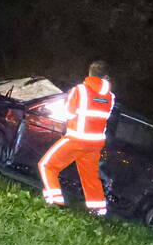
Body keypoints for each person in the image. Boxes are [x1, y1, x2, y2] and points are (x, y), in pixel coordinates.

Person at [37, 60, 115, 216]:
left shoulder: (80, 90)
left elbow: (68, 113)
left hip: (76, 139)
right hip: (95, 144)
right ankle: (98, 210)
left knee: (47, 165)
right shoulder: (110, 98)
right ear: (106, 77)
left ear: (89, 74)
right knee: (90, 177)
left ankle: (55, 200)